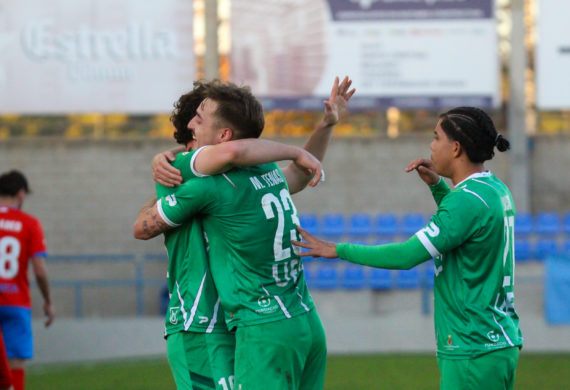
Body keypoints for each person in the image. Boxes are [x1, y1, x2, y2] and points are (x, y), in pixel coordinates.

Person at [137, 78, 354, 389]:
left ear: (224, 135)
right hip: (305, 319)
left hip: (262, 325)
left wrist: (166, 161)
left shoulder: (207, 181)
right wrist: (326, 126)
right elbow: (300, 174)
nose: (191, 125)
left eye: (199, 118)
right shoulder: (266, 173)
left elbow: (139, 228)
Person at [293, 107, 523, 390]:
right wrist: (439, 188)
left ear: (455, 148)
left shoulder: (466, 202)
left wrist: (338, 249)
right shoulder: (495, 188)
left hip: (471, 347)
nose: (431, 145)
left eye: (436, 137)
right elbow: (466, 229)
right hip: (498, 342)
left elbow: (406, 256)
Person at [0, 170, 54, 390]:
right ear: (21, 194)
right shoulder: (29, 223)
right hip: (16, 302)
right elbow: (39, 271)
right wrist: (48, 302)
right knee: (15, 367)